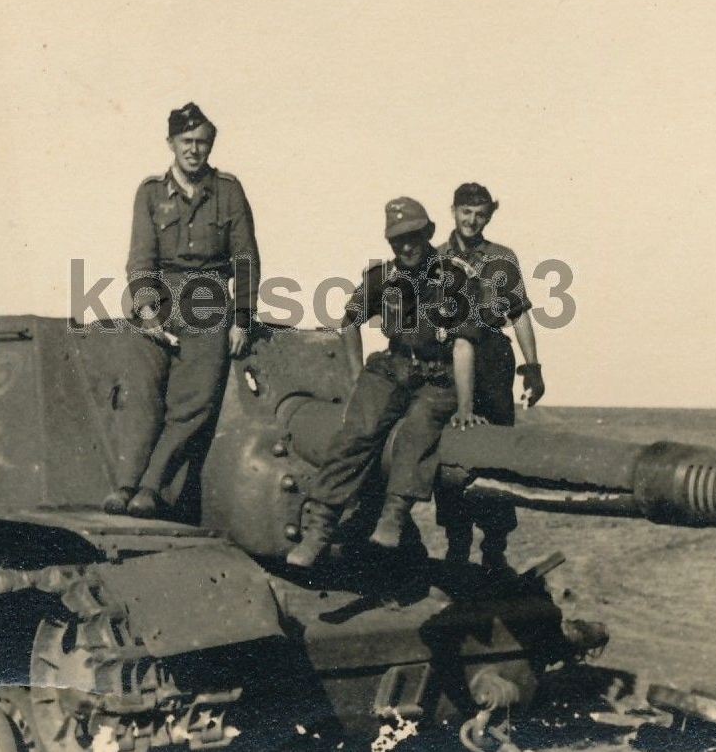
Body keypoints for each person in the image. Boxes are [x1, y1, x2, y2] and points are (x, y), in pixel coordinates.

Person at [286, 197, 484, 568]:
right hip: (394, 366)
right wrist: (354, 377)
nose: (405, 247)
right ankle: (320, 527)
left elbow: (463, 344)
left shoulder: (456, 278)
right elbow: (349, 322)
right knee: (358, 430)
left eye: (412, 237)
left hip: (438, 374)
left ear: (428, 233)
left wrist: (465, 406)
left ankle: (393, 515)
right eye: (397, 240)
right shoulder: (382, 277)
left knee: (420, 426)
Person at [107, 102, 259, 518]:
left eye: (202, 142)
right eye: (186, 141)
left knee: (193, 404)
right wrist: (147, 312)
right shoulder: (150, 193)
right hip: (158, 298)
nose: (194, 150)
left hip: (208, 301)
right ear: (171, 143)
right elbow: (140, 259)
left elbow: (245, 259)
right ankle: (125, 484)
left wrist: (242, 318)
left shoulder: (228, 191)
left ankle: (151, 487)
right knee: (140, 394)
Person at [433, 182, 545, 569]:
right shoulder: (435, 258)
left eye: (480, 214)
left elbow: (519, 313)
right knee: (453, 450)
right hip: (449, 359)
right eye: (466, 212)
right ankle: (457, 548)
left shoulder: (502, 258)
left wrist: (533, 368)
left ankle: (495, 551)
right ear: (453, 211)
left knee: (497, 453)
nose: (472, 220)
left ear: (489, 217)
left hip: (493, 359)